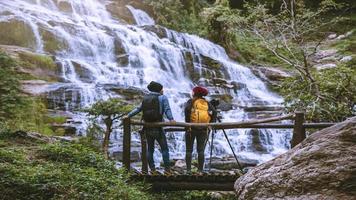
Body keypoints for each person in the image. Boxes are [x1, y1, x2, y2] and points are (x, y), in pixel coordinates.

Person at [125, 81, 175, 173]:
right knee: (164, 149)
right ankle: (167, 170)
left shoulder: (146, 98)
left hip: (147, 127)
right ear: (159, 89)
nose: (163, 90)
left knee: (150, 149)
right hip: (158, 126)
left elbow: (138, 109)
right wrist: (171, 119)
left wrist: (128, 116)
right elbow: (167, 109)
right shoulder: (162, 97)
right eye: (162, 89)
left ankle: (152, 170)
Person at [184, 86, 216, 173]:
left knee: (189, 150)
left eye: (193, 91)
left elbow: (187, 111)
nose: (192, 93)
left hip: (191, 129)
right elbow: (214, 112)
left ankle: (188, 170)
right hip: (203, 129)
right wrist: (210, 124)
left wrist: (187, 126)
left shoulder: (191, 101)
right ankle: (200, 170)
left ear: (195, 93)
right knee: (201, 150)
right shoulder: (207, 103)